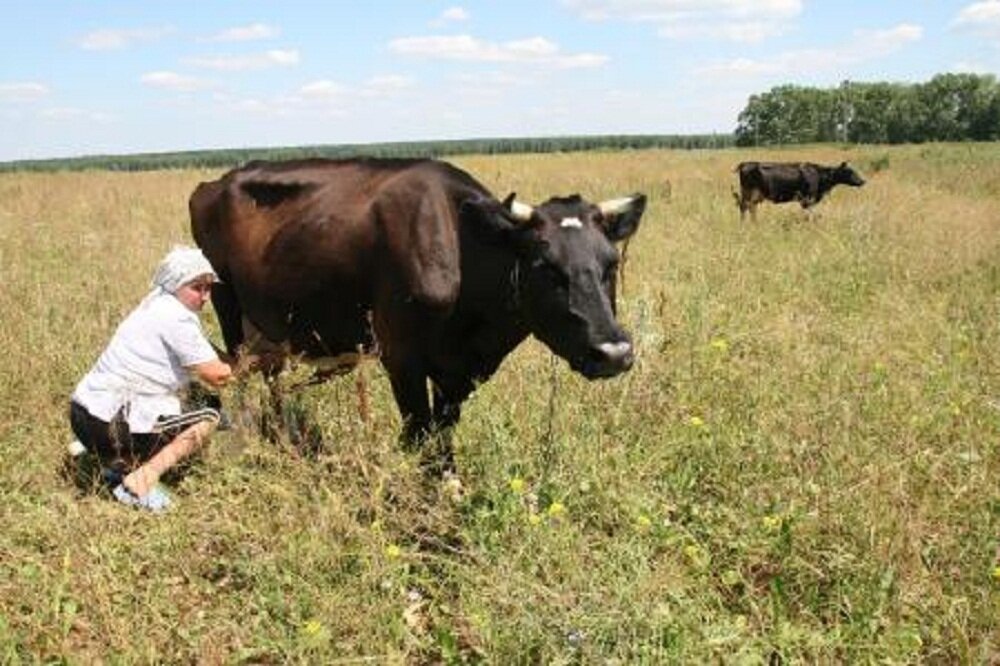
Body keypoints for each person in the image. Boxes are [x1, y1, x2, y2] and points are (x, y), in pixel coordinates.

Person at [68, 246, 234, 512]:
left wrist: (228, 359)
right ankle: (143, 477)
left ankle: (109, 460)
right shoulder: (179, 319)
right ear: (175, 284)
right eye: (196, 288)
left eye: (208, 288)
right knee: (210, 414)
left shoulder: (156, 301)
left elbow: (196, 348)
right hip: (110, 428)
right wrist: (248, 364)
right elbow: (217, 376)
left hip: (82, 417)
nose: (205, 297)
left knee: (189, 393)